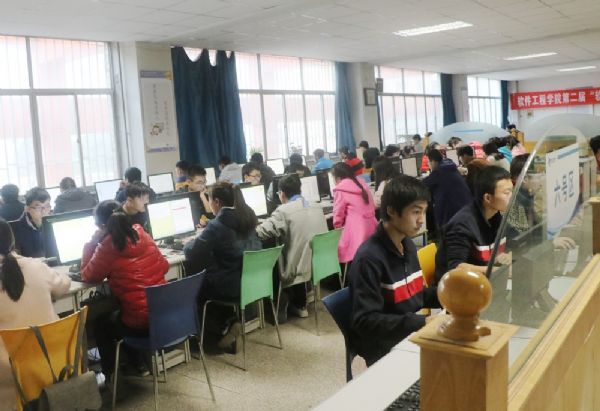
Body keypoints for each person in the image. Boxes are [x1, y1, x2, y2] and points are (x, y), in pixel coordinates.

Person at [348, 176, 439, 366]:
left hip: (408, 337)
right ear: (391, 211)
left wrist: (449, 295)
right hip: (386, 350)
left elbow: (414, 294)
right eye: (416, 212)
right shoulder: (369, 258)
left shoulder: (407, 244)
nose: (421, 220)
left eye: (424, 212)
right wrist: (420, 323)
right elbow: (365, 321)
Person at [81, 204, 168, 380]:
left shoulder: (107, 246)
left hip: (141, 324)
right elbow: (165, 267)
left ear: (103, 227)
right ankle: (137, 364)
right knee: (123, 311)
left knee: (101, 323)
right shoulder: (141, 233)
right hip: (164, 315)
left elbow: (88, 276)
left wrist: (91, 244)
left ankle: (111, 376)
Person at [0, 218, 71, 409]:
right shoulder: (36, 266)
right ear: (12, 240)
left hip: (11, 371)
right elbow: (64, 285)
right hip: (53, 359)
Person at [184, 182, 261, 351]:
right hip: (254, 282)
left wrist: (187, 243)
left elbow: (192, 252)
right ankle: (230, 322)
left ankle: (216, 330)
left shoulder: (217, 225)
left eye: (210, 200)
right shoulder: (248, 217)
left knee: (196, 286)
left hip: (232, 286)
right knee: (211, 278)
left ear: (217, 202)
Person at [256, 174, 328, 320]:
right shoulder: (316, 206)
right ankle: (300, 302)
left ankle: (281, 305)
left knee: (271, 259)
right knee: (297, 250)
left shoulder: (283, 211)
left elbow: (261, 232)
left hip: (298, 268)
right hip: (319, 264)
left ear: (281, 193)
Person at [434, 166, 513, 283]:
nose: (512, 196)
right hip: (457, 288)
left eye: (512, 190)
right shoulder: (461, 225)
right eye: (507, 193)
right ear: (488, 198)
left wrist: (506, 256)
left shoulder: (497, 216)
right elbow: (456, 268)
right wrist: (495, 270)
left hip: (485, 284)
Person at [332, 163, 377, 267]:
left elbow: (337, 216)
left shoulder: (340, 189)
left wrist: (337, 228)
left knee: (337, 241)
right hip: (372, 229)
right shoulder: (362, 184)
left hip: (356, 235)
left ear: (337, 178)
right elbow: (372, 205)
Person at [422, 149, 472, 229]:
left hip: (452, 213)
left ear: (433, 161)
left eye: (428, 162)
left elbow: (423, 185)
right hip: (466, 208)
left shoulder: (439, 172)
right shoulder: (450, 166)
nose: (428, 164)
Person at [11, 187, 51, 258]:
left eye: (47, 206)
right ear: (27, 208)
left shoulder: (53, 224)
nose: (44, 211)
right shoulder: (15, 230)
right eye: (38, 207)